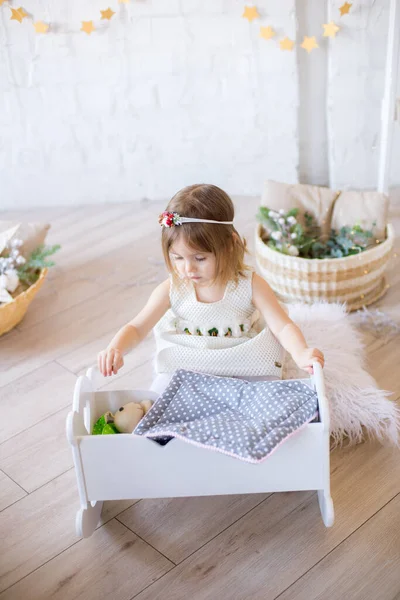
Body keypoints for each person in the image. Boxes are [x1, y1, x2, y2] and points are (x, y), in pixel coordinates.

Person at [98, 184, 324, 390]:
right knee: (161, 394)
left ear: (229, 246)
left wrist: (300, 352)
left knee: (269, 392)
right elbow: (137, 327)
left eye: (200, 258)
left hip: (242, 359)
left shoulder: (250, 284)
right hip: (189, 362)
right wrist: (116, 348)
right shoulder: (172, 289)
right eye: (177, 258)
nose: (188, 269)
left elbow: (282, 325)